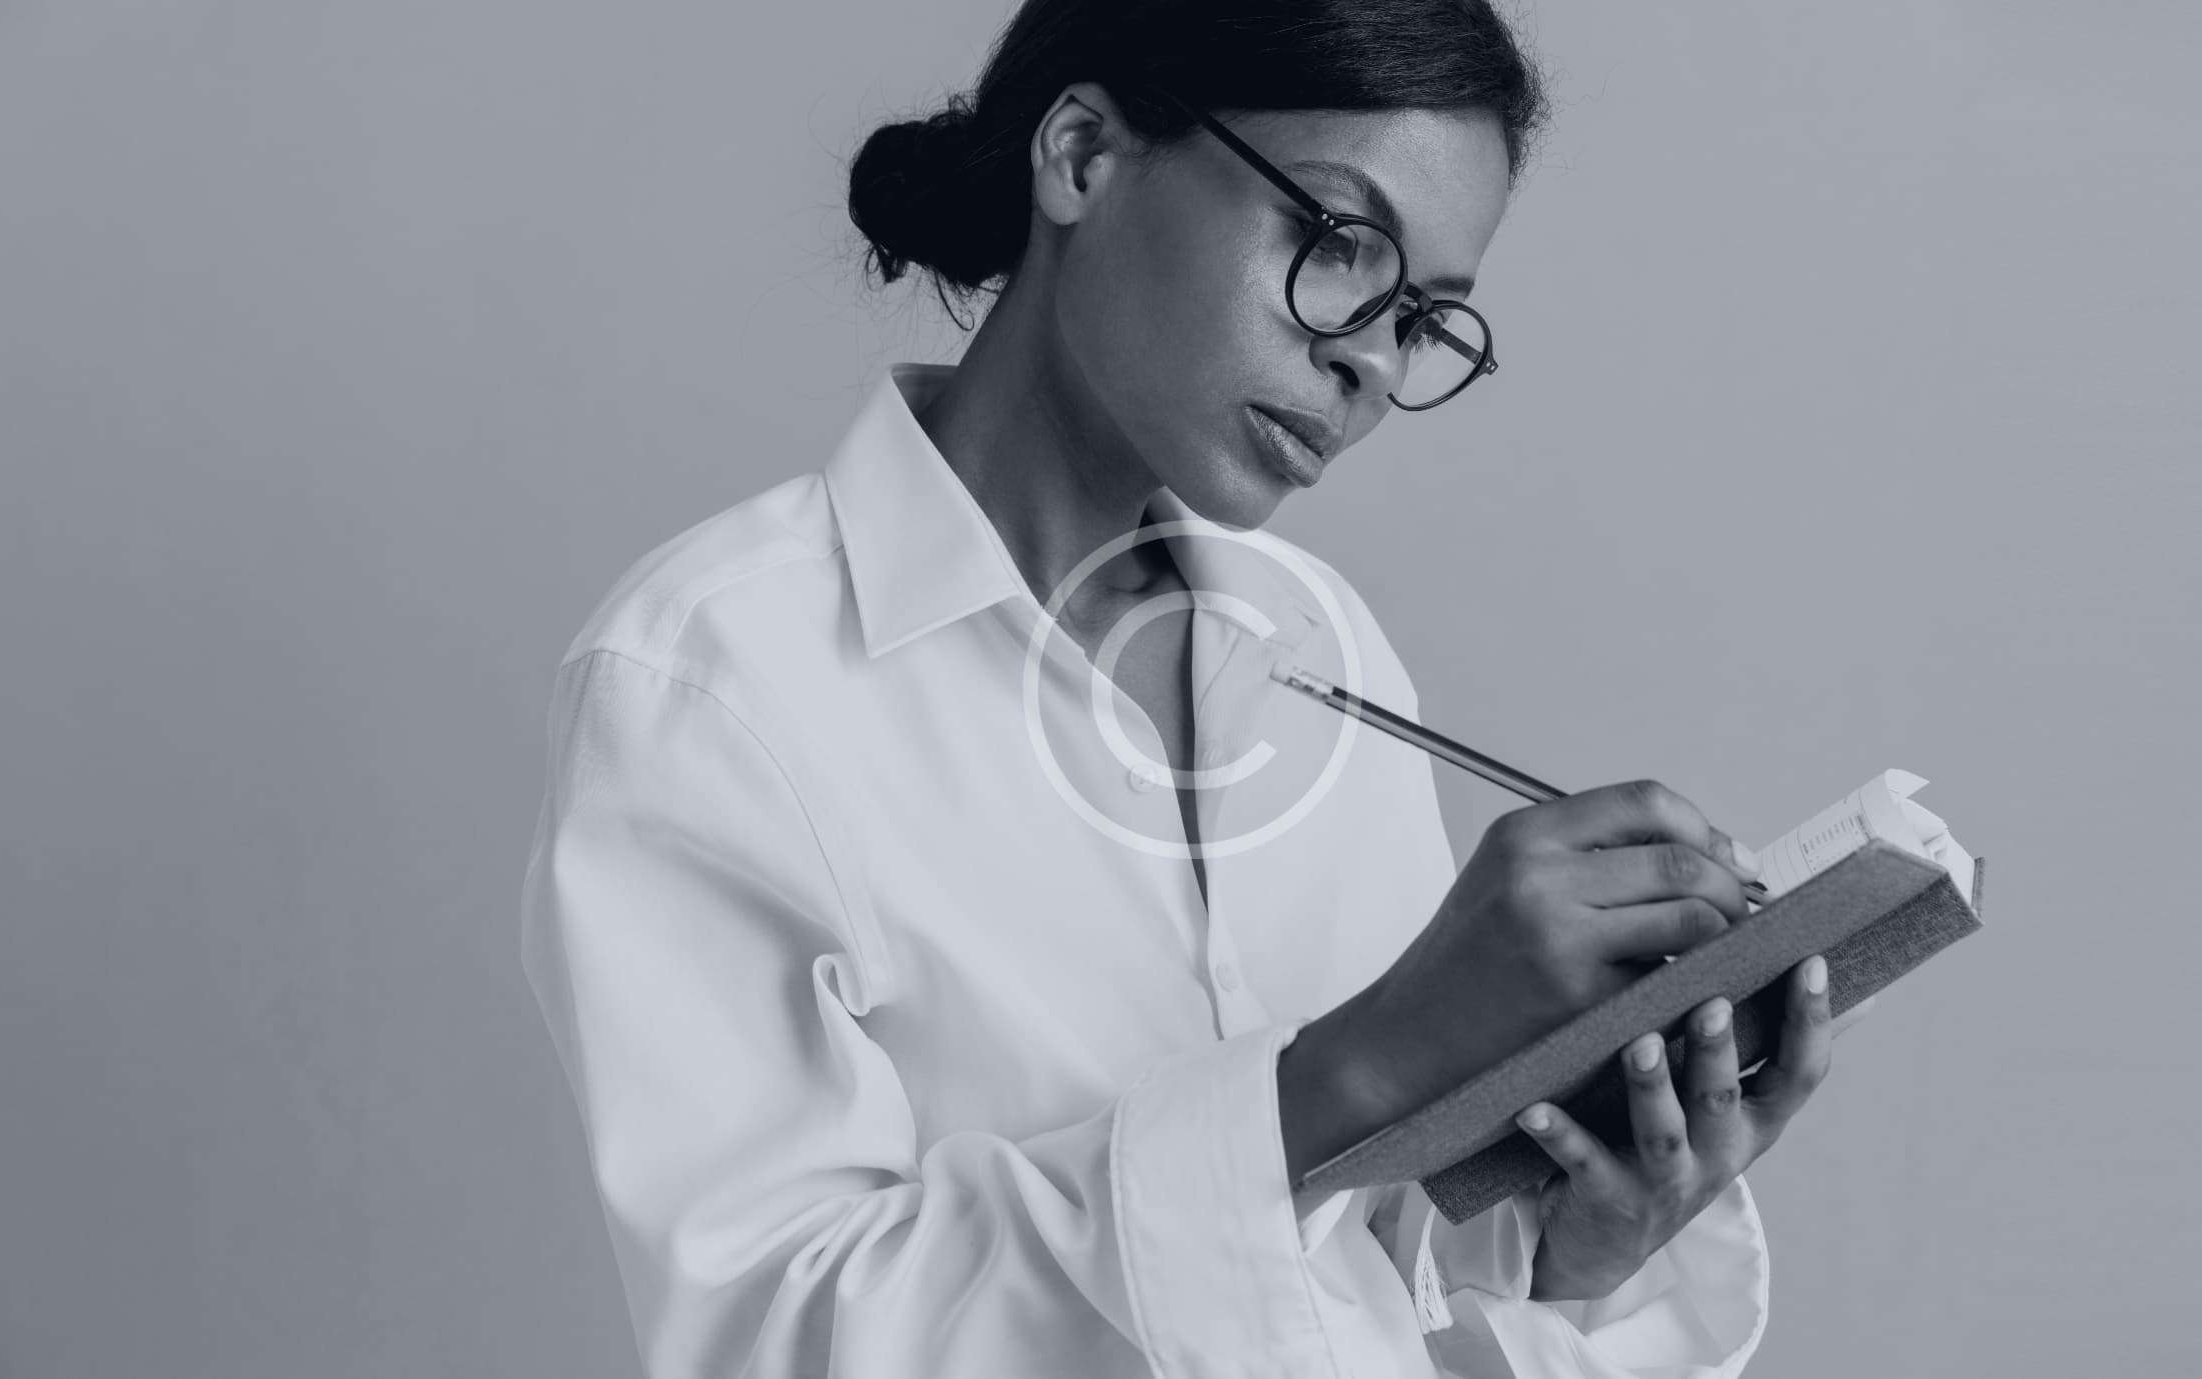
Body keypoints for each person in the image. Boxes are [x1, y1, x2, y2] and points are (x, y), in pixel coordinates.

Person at [518, 1, 1849, 1374]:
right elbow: (779, 1336)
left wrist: (1571, 1248)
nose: (1370, 361)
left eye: (1422, 317)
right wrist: (1355, 1067)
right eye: (1340, 243)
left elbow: (1362, 1288)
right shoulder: (713, 683)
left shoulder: (1320, 642)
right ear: (1085, 155)